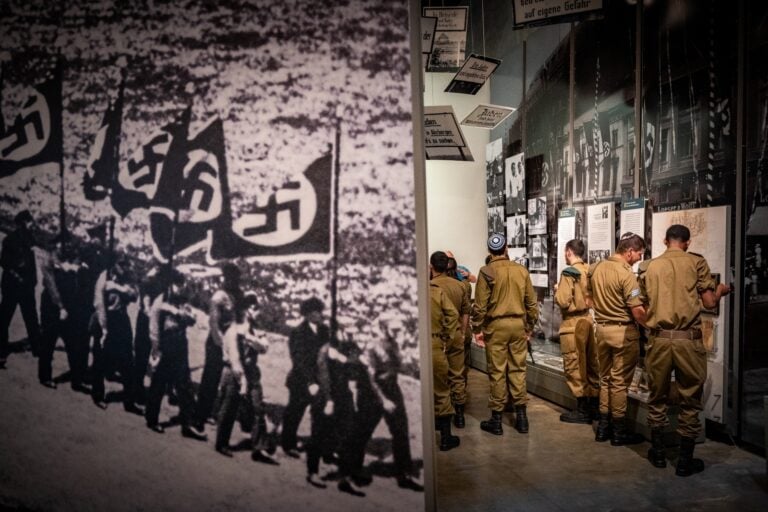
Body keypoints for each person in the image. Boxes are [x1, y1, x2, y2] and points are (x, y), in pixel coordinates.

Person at [639, 224, 731, 476]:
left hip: (658, 340)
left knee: (656, 396)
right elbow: (709, 302)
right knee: (690, 399)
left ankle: (658, 453)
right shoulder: (696, 263)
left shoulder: (649, 267)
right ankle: (684, 461)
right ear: (687, 242)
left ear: (664, 240)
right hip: (687, 341)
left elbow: (642, 301)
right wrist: (721, 291)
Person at [341, 318, 422, 491]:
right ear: (384, 328)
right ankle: (350, 472)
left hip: (393, 389)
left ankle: (404, 474)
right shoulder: (372, 347)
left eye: (399, 329)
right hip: (371, 393)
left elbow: (399, 369)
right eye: (394, 329)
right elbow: (371, 377)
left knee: (401, 431)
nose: (398, 332)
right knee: (362, 432)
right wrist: (383, 400)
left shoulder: (394, 345)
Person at [472, 233, 538, 435]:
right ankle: (522, 419)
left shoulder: (486, 271)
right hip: (518, 325)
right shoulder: (521, 270)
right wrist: (529, 326)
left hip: (496, 327)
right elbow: (531, 304)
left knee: (497, 372)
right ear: (506, 248)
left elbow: (480, 306)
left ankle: (497, 420)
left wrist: (476, 328)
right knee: (518, 369)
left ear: (490, 251)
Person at [586, 232, 647, 445]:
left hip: (601, 330)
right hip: (623, 333)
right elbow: (638, 311)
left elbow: (588, 299)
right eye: (639, 253)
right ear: (629, 251)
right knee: (620, 382)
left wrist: (605, 312)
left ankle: (603, 428)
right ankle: (619, 432)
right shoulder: (626, 274)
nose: (640, 258)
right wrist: (653, 325)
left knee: (605, 379)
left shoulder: (595, 268)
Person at [144, 267, 206, 441]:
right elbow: (154, 326)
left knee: (184, 385)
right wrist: (156, 348)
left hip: (180, 343)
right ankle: (151, 418)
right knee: (159, 383)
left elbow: (192, 319)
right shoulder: (160, 301)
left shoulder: (181, 302)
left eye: (181, 284)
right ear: (170, 284)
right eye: (177, 284)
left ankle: (187, 424)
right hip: (166, 343)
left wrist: (184, 314)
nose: (180, 287)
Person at [215, 292, 275, 464]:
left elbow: (264, 347)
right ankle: (221, 443)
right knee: (229, 408)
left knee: (258, 408)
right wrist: (242, 382)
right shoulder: (232, 330)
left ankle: (259, 447)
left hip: (251, 371)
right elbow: (234, 359)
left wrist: (249, 338)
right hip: (233, 371)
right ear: (246, 310)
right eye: (253, 308)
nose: (257, 312)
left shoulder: (254, 330)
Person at [194, 262, 243, 431]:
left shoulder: (238, 295)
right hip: (217, 342)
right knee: (210, 379)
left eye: (235, 278)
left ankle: (214, 412)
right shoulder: (219, 297)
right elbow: (214, 323)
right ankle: (200, 415)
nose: (233, 281)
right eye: (230, 278)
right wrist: (222, 347)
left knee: (227, 380)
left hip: (233, 341)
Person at [554, 239, 599, 424]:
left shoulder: (569, 272)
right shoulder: (589, 270)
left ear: (568, 252)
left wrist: (557, 290)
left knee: (574, 365)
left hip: (572, 324)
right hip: (588, 320)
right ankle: (595, 406)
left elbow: (563, 300)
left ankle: (582, 409)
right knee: (591, 364)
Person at [91, 254, 142, 414]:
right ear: (115, 264)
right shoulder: (104, 276)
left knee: (128, 361)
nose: (124, 268)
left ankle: (129, 400)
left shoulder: (128, 278)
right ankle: (97, 395)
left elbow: (134, 296)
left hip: (121, 319)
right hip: (105, 317)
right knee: (100, 359)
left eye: (126, 265)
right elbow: (98, 302)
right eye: (121, 265)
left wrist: (119, 288)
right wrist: (104, 328)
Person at [281, 297, 329, 458]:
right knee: (295, 412)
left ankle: (318, 445)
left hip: (319, 379)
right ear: (307, 313)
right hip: (300, 380)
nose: (319, 314)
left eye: (319, 311)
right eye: (315, 312)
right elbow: (298, 360)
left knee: (319, 414)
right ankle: (288, 443)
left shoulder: (324, 331)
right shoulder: (298, 332)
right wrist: (310, 381)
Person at [37, 234, 86, 390]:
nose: (67, 247)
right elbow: (51, 287)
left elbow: (77, 263)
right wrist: (60, 307)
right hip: (52, 306)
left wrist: (73, 267)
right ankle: (44, 376)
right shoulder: (48, 259)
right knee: (48, 341)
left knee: (73, 344)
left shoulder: (70, 257)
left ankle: (76, 380)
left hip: (68, 306)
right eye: (64, 244)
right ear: (57, 245)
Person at [431, 251, 470, 428]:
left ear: (432, 266)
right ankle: (460, 415)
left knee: (439, 378)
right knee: (457, 375)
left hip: (438, 337)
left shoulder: (430, 287)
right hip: (455, 335)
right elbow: (465, 312)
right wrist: (462, 332)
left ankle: (441, 416)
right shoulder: (459, 285)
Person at [0, 210, 40, 367]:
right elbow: (4, 262)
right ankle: (1, 350)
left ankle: (37, 347)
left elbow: (32, 264)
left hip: (27, 286)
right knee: (4, 318)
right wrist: (18, 275)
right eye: (30, 222)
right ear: (24, 222)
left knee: (31, 317)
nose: (33, 225)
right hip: (12, 286)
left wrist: (33, 280)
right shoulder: (9, 240)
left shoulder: (30, 239)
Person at [430, 281, 461, 451]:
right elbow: (453, 313)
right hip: (433, 344)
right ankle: (445, 437)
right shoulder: (436, 292)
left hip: (408, 347)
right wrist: (446, 337)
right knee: (441, 391)